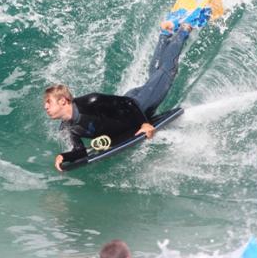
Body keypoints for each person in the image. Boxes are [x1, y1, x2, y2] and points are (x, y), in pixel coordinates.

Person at [44, 17, 202, 172]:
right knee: (155, 77)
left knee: (166, 73)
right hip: (132, 106)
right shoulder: (67, 127)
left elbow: (128, 103)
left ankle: (183, 30)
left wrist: (144, 124)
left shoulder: (91, 101)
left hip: (138, 104)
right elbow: (80, 150)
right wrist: (65, 156)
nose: (45, 106)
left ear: (63, 101)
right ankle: (165, 33)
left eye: (48, 102)